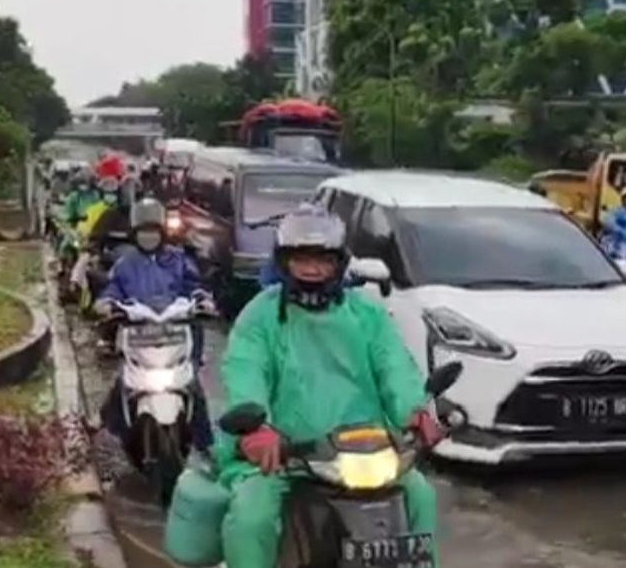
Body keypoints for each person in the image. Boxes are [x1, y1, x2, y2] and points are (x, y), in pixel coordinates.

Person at [218, 207, 441, 568]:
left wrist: (415, 412)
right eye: (301, 259)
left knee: (421, 497)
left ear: (339, 263)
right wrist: (257, 429)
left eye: (322, 260)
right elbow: (245, 370)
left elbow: (394, 366)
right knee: (251, 516)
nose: (311, 269)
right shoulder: (259, 315)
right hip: (286, 455)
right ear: (283, 262)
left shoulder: (366, 315)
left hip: (365, 453)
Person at [93, 199, 212, 451]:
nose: (149, 237)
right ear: (134, 235)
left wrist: (203, 300)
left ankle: (206, 444)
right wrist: (106, 303)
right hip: (139, 336)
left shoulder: (180, 261)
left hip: (177, 333)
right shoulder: (125, 264)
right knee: (126, 380)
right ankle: (105, 421)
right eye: (143, 232)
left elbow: (196, 285)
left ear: (163, 233)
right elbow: (112, 288)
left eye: (153, 231)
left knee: (192, 385)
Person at [601, 186, 626, 258]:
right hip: (613, 242)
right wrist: (618, 228)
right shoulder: (617, 210)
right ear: (623, 198)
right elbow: (608, 221)